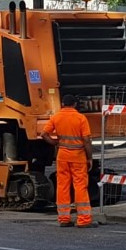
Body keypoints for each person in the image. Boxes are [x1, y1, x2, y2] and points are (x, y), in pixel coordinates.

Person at [40, 94, 96, 228]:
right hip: (78, 157)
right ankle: (83, 219)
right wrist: (90, 157)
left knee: (63, 187)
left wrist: (55, 143)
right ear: (75, 104)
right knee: (80, 186)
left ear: (63, 104)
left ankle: (64, 218)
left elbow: (43, 134)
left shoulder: (56, 117)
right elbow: (87, 140)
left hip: (62, 157)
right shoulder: (81, 118)